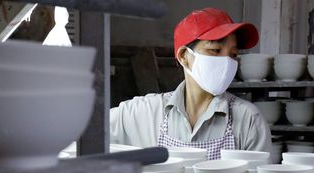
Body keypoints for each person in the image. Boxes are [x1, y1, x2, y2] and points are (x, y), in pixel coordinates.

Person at [110, 8, 271, 159]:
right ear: (183, 56)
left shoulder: (248, 120)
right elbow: (90, 131)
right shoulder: (146, 112)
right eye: (215, 50)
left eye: (233, 54)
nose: (227, 61)